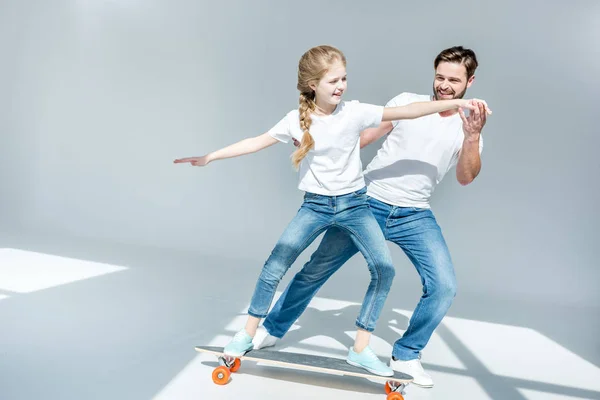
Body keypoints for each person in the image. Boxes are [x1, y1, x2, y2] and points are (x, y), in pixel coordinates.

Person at [174, 45, 487, 377]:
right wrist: (318, 139)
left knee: (443, 286)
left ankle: (406, 353)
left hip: (414, 215)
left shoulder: (470, 125)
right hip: (368, 201)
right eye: (440, 77)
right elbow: (364, 134)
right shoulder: (401, 102)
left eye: (453, 80)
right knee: (314, 270)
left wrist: (470, 133)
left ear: (470, 81)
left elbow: (466, 177)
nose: (444, 85)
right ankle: (271, 330)